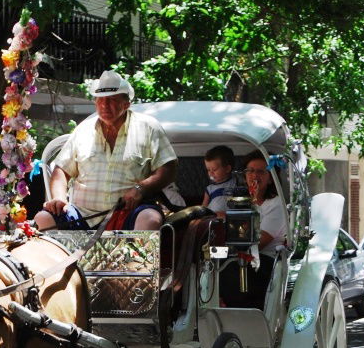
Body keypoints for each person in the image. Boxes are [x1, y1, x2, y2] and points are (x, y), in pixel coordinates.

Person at [34, 70, 178, 230]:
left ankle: (135, 256)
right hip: (82, 215)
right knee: (43, 218)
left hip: (128, 213)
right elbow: (60, 170)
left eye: (112, 100)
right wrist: (59, 198)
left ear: (126, 104)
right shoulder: (83, 130)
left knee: (150, 219)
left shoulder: (149, 127)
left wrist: (141, 188)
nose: (104, 106)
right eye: (100, 100)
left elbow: (168, 168)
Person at [219, 149, 287, 310]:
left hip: (263, 262)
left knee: (231, 269)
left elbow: (258, 242)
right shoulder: (242, 201)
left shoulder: (276, 205)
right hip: (236, 257)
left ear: (271, 178)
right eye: (250, 171)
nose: (254, 176)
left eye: (261, 172)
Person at [201, 145, 236, 217]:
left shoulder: (236, 183)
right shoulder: (209, 189)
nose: (210, 173)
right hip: (213, 220)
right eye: (208, 170)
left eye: (214, 170)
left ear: (227, 169)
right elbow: (203, 209)